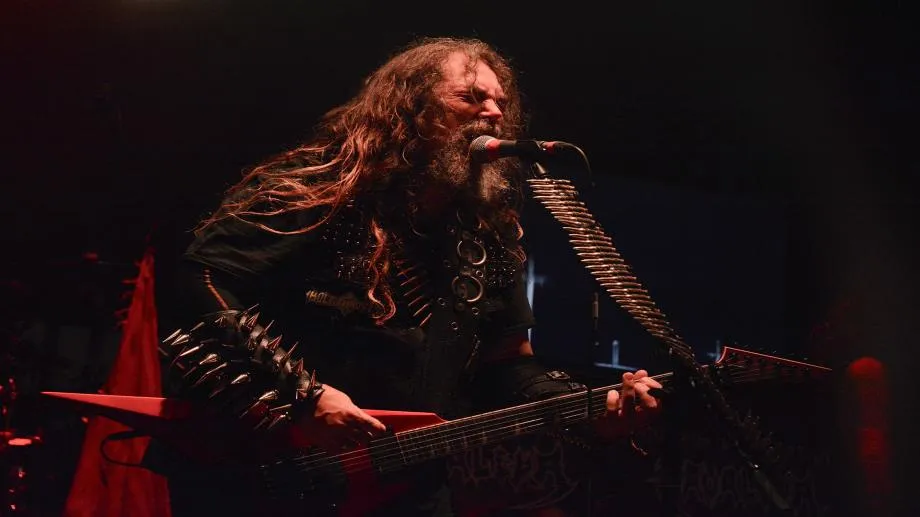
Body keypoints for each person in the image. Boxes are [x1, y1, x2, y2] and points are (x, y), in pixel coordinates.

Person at [155, 37, 663, 516]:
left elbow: (509, 368)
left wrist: (591, 410)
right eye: (471, 97)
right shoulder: (322, 191)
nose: (493, 112)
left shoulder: (487, 237)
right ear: (411, 110)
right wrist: (301, 396)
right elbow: (201, 281)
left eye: (499, 102)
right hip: (262, 468)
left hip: (407, 486)